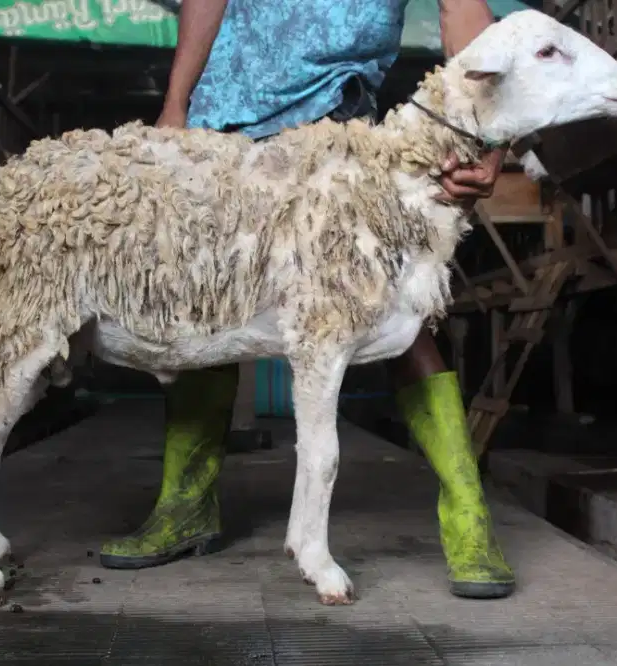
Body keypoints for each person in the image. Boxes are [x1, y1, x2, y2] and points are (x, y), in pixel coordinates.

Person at [99, 0, 516, 600]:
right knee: (208, 302)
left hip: (333, 126)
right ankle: (184, 505)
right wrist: (176, 104)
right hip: (228, 116)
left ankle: (468, 517)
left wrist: (486, 135)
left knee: (387, 308)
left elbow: (464, 12)